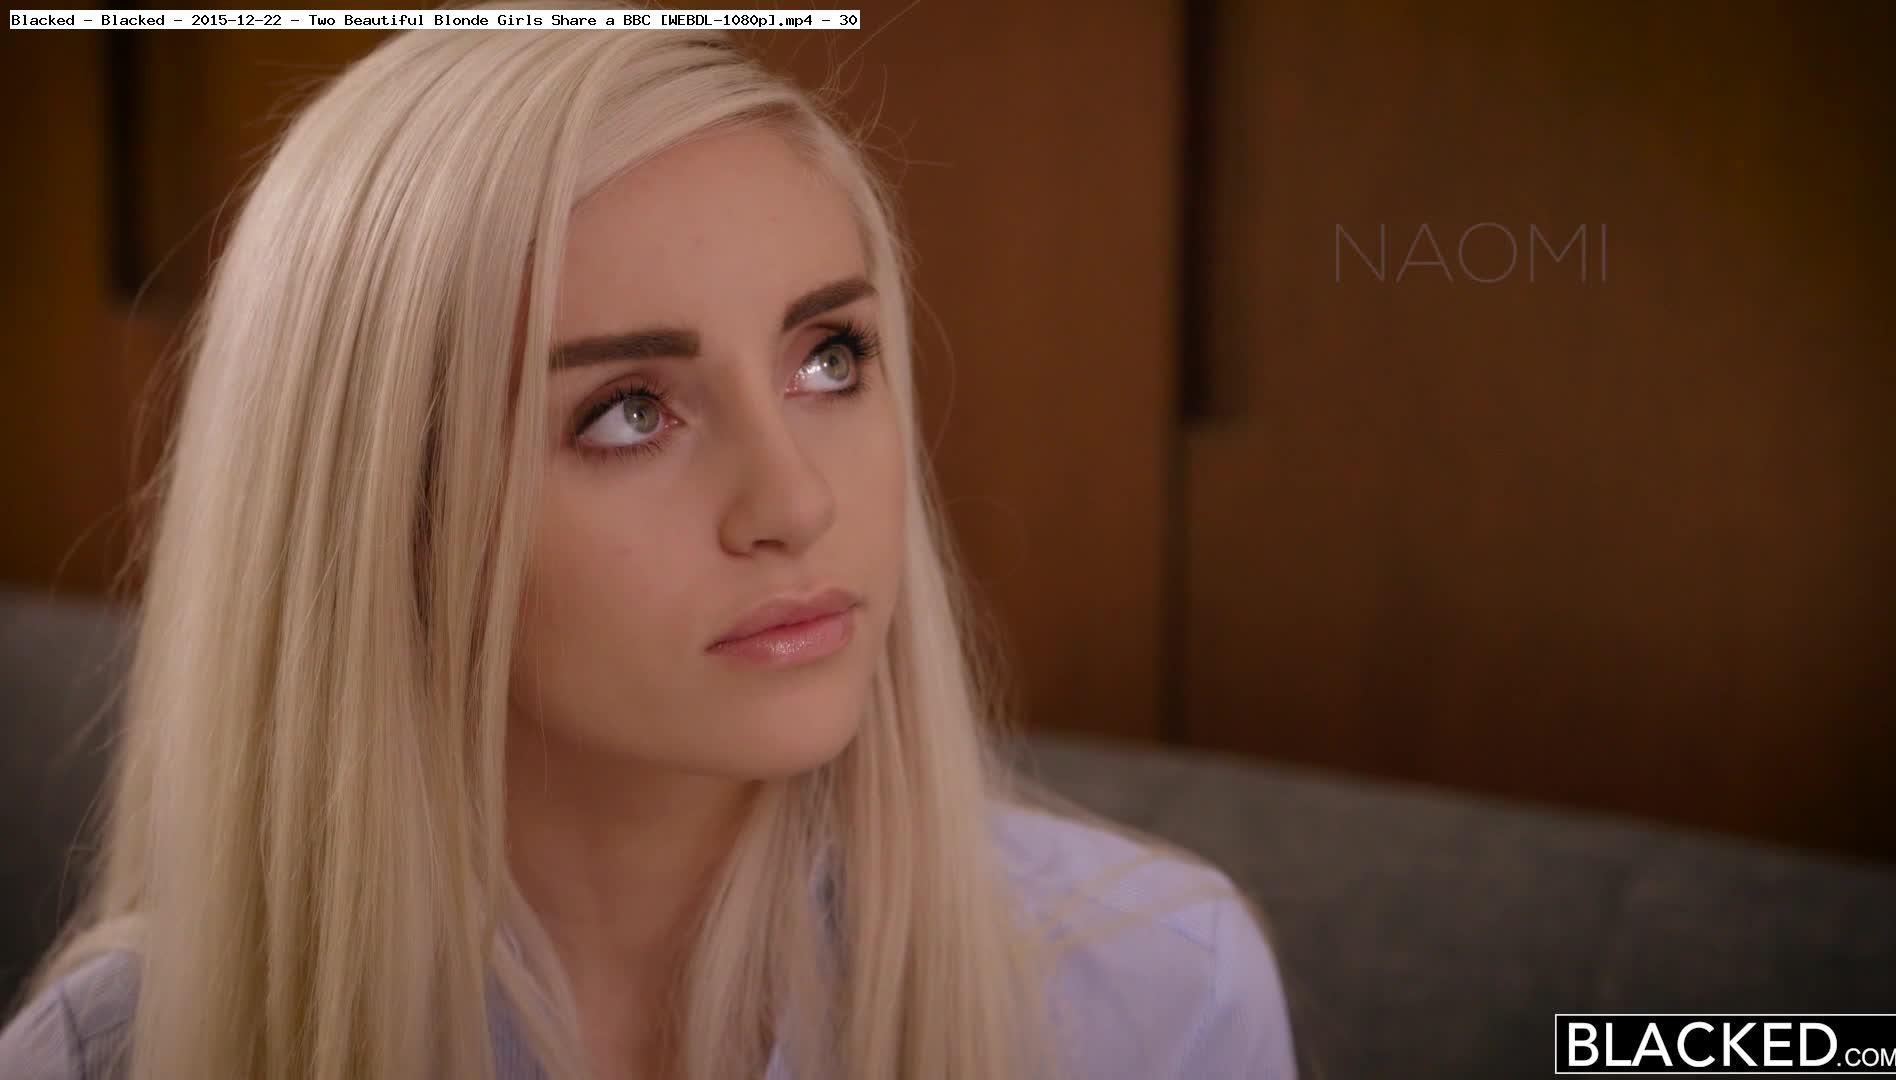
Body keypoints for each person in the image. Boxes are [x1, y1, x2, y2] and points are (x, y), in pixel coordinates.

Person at [0, 4, 1297, 1077]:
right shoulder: (111, 1054)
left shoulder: (1157, 998)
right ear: (385, 516)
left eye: (830, 359)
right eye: (628, 412)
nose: (794, 503)